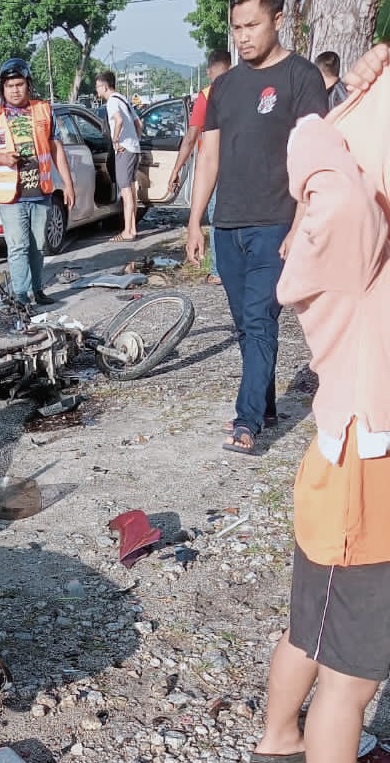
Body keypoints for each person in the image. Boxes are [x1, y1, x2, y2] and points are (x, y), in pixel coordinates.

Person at [250, 44, 390, 763]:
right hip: (364, 480)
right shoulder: (356, 231)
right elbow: (323, 163)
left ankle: (277, 739)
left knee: (311, 628)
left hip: (345, 467)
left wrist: (357, 98)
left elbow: (318, 145)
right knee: (353, 678)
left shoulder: (345, 222)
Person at [184, 0, 327, 456]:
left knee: (261, 321)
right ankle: (265, 406)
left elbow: (314, 161)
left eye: (253, 25)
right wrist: (195, 223)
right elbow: (208, 157)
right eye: (237, 27)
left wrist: (299, 224)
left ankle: (247, 422)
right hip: (228, 226)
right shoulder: (223, 88)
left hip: (276, 223)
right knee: (246, 327)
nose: (243, 36)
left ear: (278, 21)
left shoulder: (301, 79)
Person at [0, 58, 75, 307]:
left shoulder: (43, 110)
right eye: (10, 86)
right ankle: (20, 295)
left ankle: (37, 290)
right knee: (18, 246)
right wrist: (3, 158)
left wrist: (68, 184)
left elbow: (56, 150)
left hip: (40, 192)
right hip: (11, 196)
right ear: (2, 88)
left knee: (38, 246)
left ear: (28, 85)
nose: (15, 90)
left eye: (19, 84)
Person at [168, 50, 232, 286]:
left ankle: (217, 269)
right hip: (242, 167)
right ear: (231, 66)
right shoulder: (244, 88)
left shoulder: (207, 95)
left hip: (215, 166)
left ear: (208, 71)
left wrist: (176, 169)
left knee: (216, 219)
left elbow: (191, 137)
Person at [95, 70, 143, 243]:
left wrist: (115, 140)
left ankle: (128, 231)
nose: (97, 91)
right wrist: (135, 140)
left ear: (105, 86)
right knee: (131, 188)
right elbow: (139, 124)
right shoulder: (124, 99)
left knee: (126, 191)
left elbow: (119, 120)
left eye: (98, 87)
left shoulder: (112, 102)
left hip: (124, 150)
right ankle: (133, 228)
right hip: (134, 150)